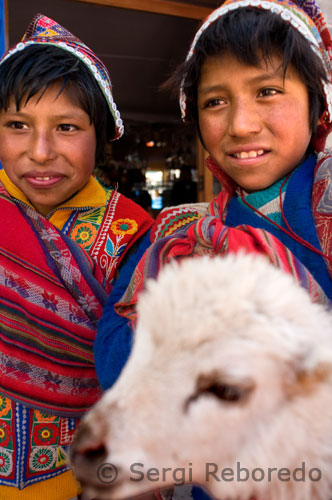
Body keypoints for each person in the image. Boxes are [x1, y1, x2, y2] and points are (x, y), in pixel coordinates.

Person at [96, 0, 332, 498]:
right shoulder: (177, 236)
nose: (241, 125)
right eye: (215, 101)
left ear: (318, 105)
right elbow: (116, 360)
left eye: (268, 91)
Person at [0, 13, 153, 500]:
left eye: (66, 127)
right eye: (18, 126)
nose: (40, 152)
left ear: (102, 134)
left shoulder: (133, 234)